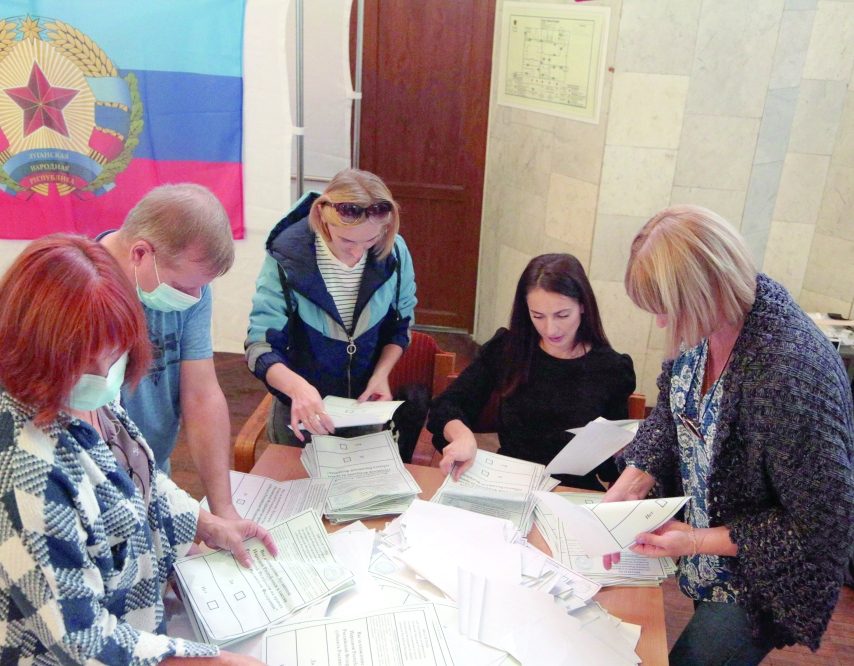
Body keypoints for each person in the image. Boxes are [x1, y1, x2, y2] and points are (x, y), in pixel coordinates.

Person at [0, 235, 273, 666]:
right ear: (38, 351)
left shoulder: (69, 376)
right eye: (84, 366)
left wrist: (205, 524)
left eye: (113, 356)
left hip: (127, 613)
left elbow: (133, 473)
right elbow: (85, 641)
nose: (102, 377)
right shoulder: (18, 474)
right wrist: (213, 660)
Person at [603, 206, 854, 665]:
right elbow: (674, 411)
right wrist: (630, 482)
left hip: (761, 575)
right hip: (708, 541)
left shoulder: (790, 373)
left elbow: (822, 527)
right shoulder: (709, 323)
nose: (662, 324)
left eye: (667, 309)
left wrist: (696, 540)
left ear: (704, 292)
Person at [427, 254, 636, 490]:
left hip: (572, 493)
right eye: (537, 316)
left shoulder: (612, 369)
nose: (550, 328)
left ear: (582, 305)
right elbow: (447, 405)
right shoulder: (508, 350)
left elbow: (610, 469)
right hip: (510, 484)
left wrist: (622, 451)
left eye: (562, 315)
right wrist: (463, 436)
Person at [99, 184, 240, 519]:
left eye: (201, 287)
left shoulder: (189, 288)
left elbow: (202, 396)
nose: (193, 297)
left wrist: (223, 509)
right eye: (182, 287)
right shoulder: (82, 292)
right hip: (95, 483)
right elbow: (84, 432)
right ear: (140, 253)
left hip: (152, 473)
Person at [245, 169, 417, 444]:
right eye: (347, 240)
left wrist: (381, 374)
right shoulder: (287, 258)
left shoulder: (394, 251)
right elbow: (260, 347)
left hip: (363, 409)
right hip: (301, 416)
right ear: (323, 218)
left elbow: (400, 326)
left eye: (370, 240)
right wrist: (297, 388)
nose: (359, 252)